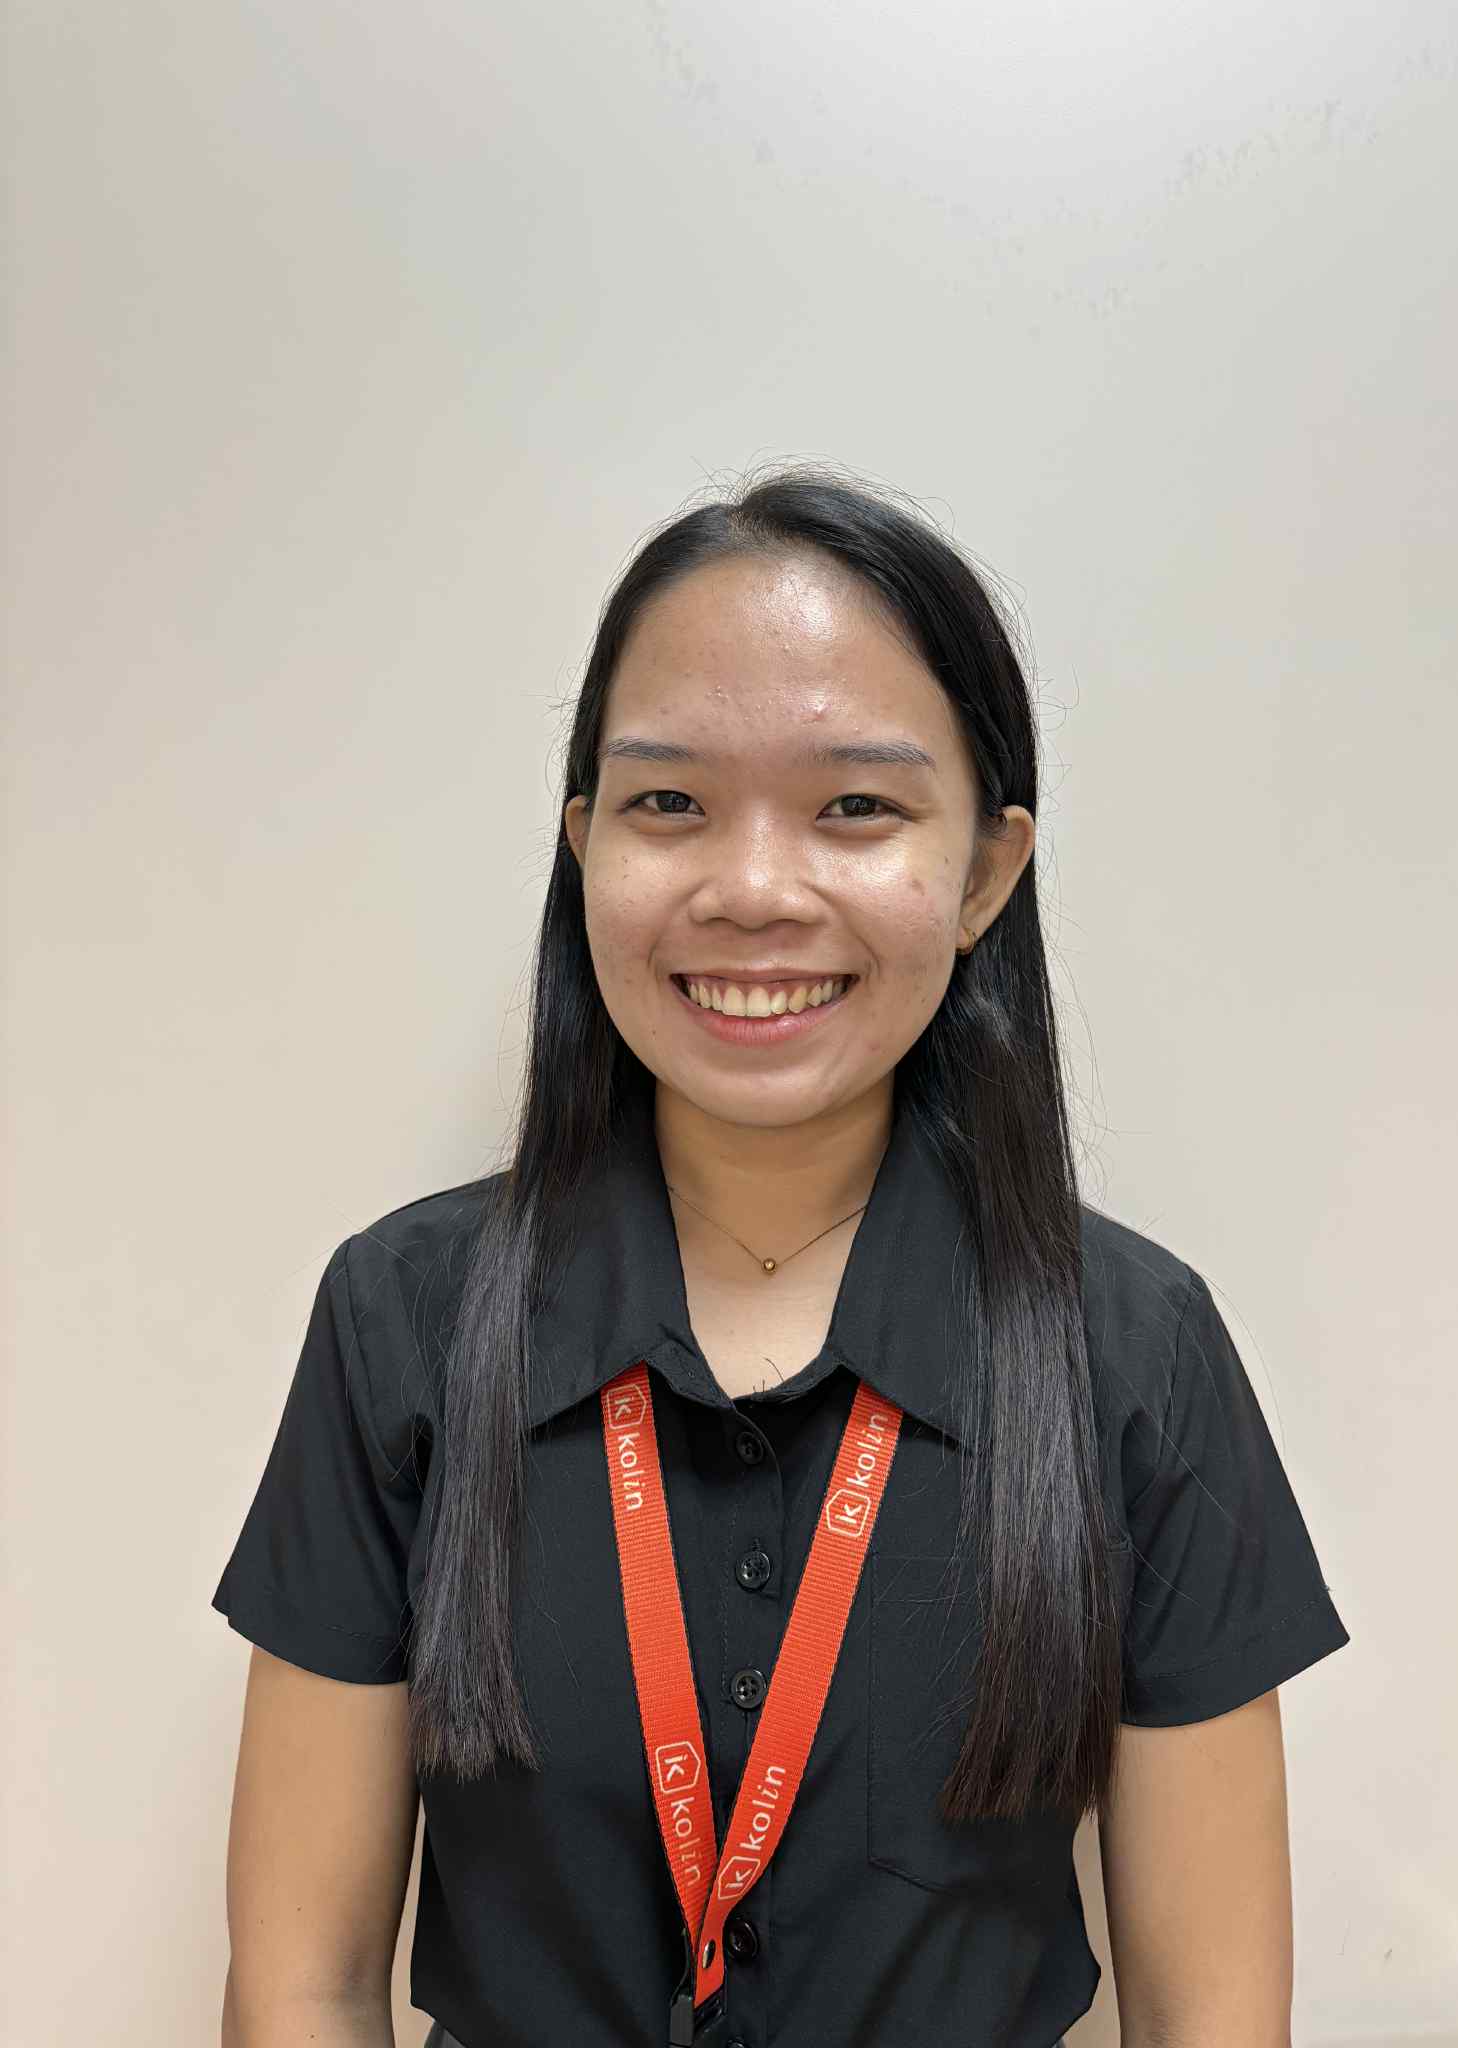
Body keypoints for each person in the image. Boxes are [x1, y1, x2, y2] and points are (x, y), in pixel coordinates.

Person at [212, 464, 1350, 2048]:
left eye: (856, 808)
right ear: (584, 848)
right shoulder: (400, 1321)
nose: (752, 891)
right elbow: (302, 1987)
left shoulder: (1133, 1349)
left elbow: (1210, 2016)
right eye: (669, 803)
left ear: (984, 873)